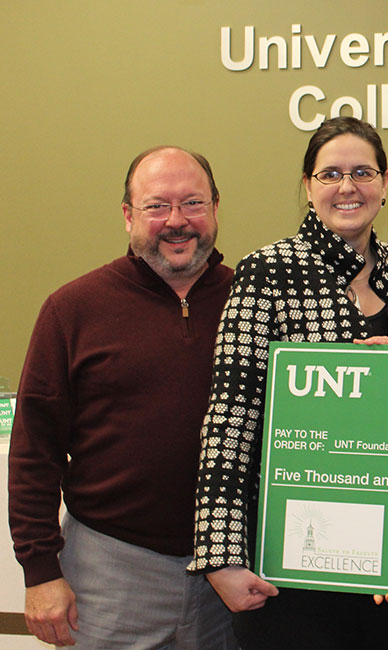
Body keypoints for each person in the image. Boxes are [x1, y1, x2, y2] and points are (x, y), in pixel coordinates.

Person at [189, 116, 388, 649]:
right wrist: (222, 555)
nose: (348, 187)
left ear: (385, 182)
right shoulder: (267, 271)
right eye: (330, 174)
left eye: (362, 172)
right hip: (292, 563)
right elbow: (232, 416)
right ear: (307, 186)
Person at [8, 146, 236, 648]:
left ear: (216, 208)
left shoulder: (256, 304)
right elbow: (34, 451)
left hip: (233, 575)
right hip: (110, 571)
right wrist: (40, 571)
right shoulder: (72, 310)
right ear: (128, 215)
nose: (177, 221)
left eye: (193, 203)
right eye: (157, 206)